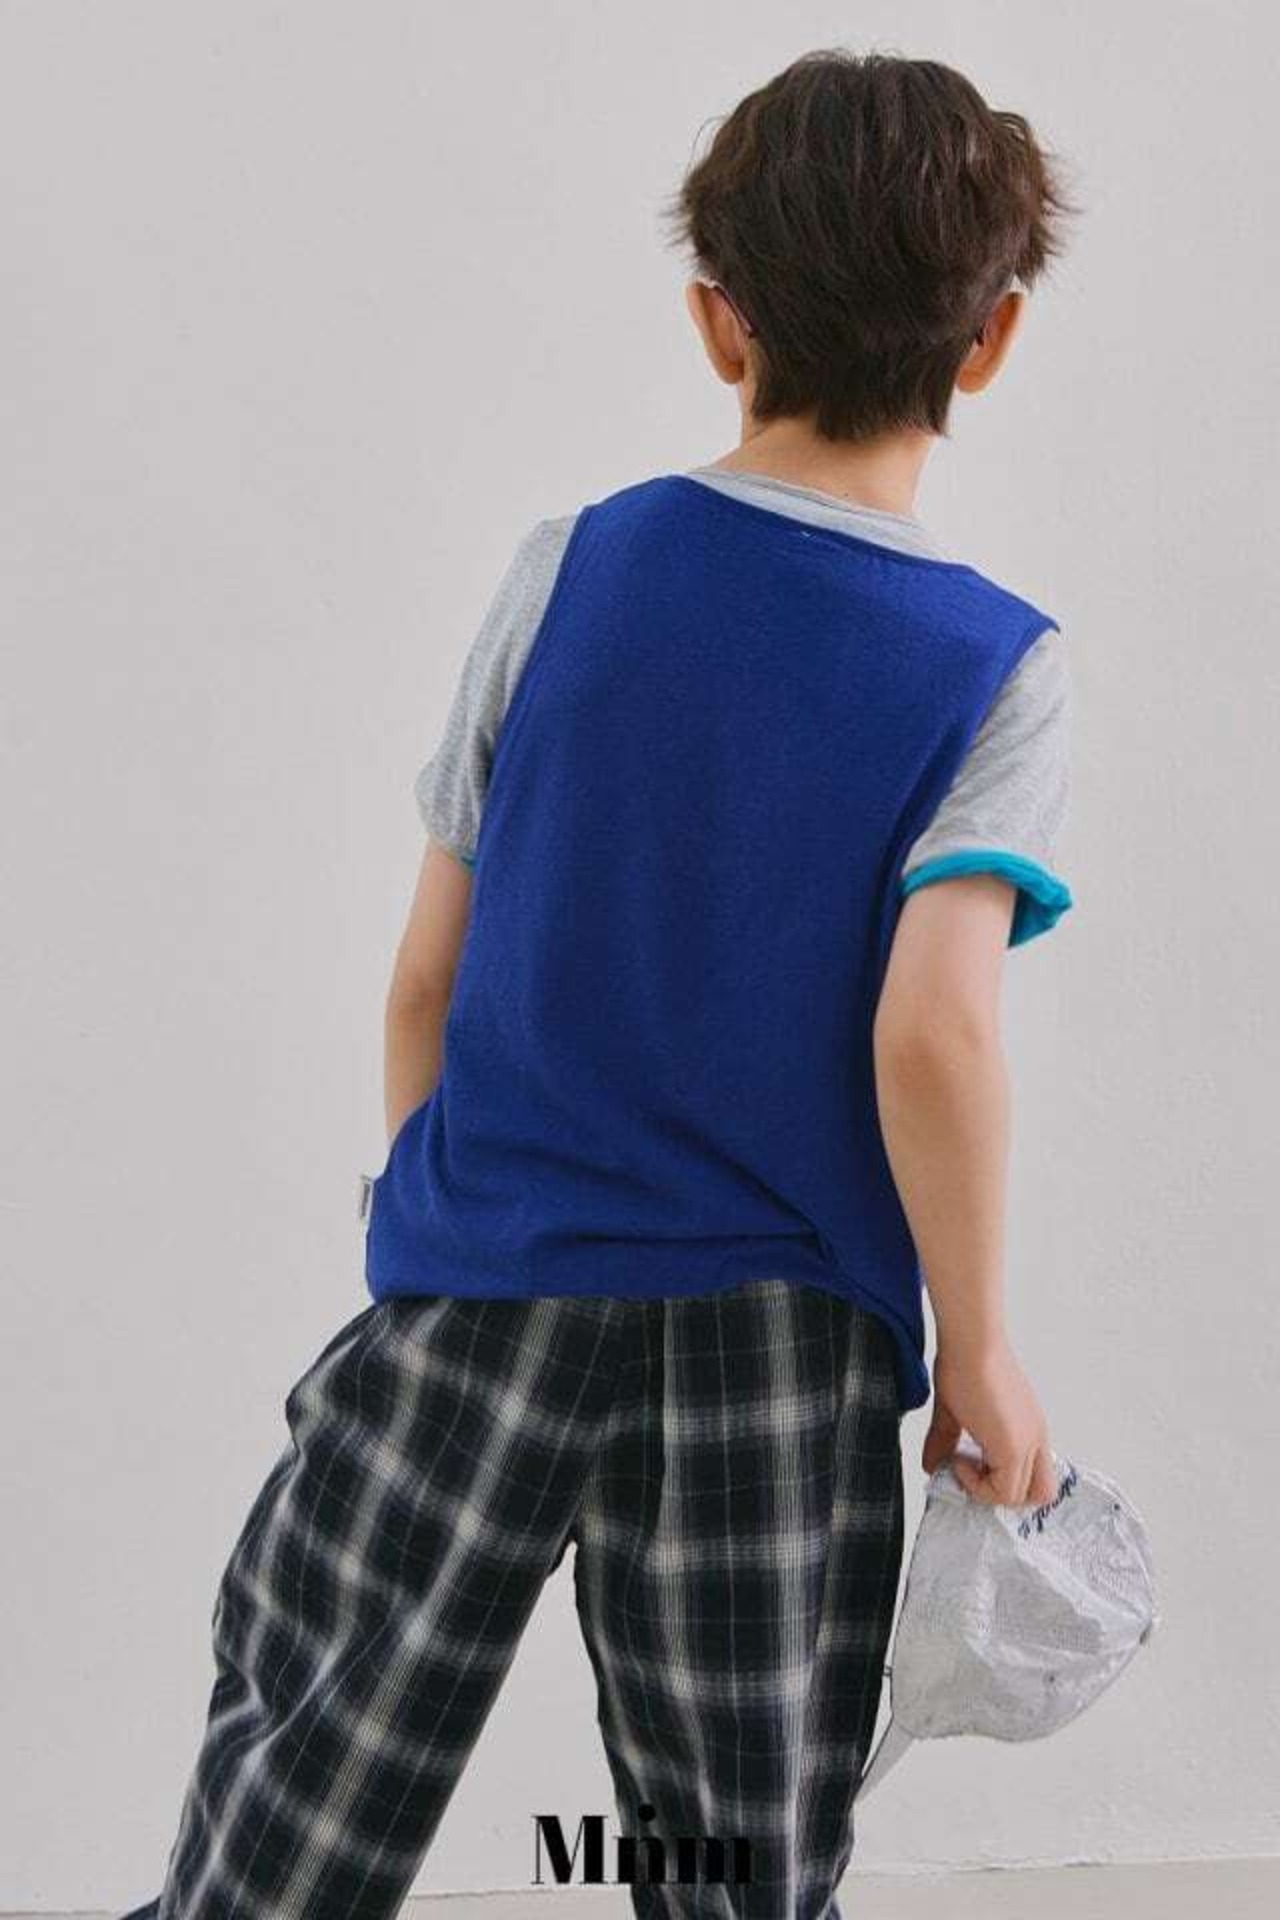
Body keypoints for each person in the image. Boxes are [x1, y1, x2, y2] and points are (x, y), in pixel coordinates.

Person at [122, 46, 1075, 1920]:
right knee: (734, 1846)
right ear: (992, 340)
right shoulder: (995, 667)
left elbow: (425, 980)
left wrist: (439, 1223)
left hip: (485, 1288)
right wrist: (977, 1344)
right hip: (781, 1349)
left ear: (719, 321)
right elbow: (934, 1031)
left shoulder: (574, 569)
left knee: (295, 1804)